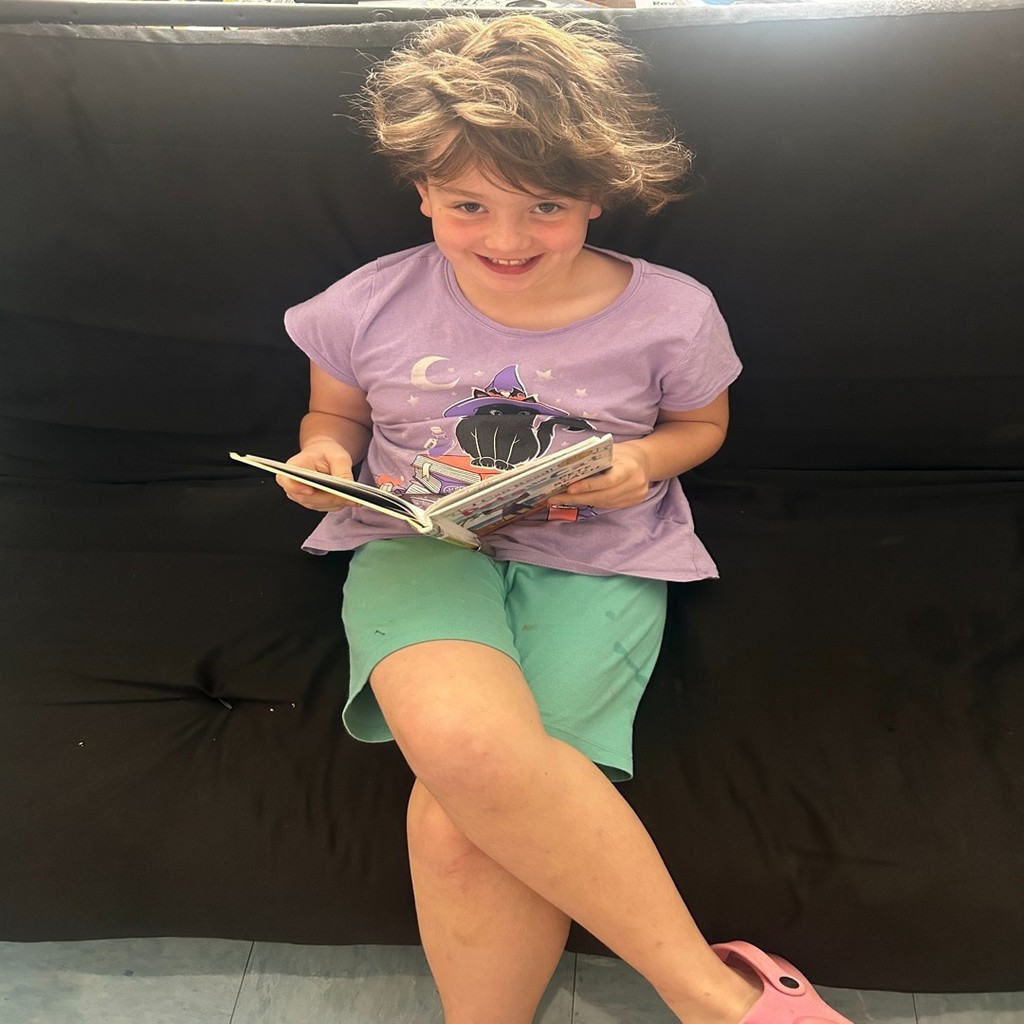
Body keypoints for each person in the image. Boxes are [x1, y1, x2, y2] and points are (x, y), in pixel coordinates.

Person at [277, 13, 855, 1024]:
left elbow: (699, 425)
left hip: (598, 551)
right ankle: (716, 995)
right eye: (466, 206)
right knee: (462, 744)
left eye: (543, 206)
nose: (505, 240)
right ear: (420, 191)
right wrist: (323, 459)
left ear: (596, 194)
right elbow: (333, 413)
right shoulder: (364, 304)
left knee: (471, 818)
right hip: (419, 542)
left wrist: (641, 461)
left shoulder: (670, 310)